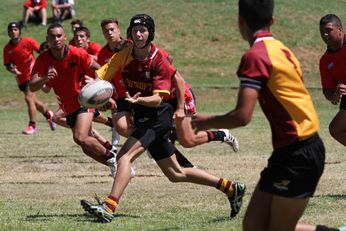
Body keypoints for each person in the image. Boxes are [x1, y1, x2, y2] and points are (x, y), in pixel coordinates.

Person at [81, 14, 246, 223]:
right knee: (176, 173)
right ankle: (231, 188)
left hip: (158, 116)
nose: (139, 34)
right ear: (130, 34)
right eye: (135, 30)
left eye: (143, 30)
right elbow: (104, 75)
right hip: (143, 114)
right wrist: (93, 88)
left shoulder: (158, 60)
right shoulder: (124, 54)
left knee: (124, 157)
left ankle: (109, 206)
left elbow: (158, 99)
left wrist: (138, 101)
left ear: (150, 33)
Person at [191, 1, 338, 230]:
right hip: (288, 151)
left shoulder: (256, 56)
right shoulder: (281, 48)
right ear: (272, 21)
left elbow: (242, 116)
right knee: (253, 225)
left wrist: (201, 123)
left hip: (300, 152)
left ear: (241, 22)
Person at [30, 23, 118, 178]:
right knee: (86, 147)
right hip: (67, 106)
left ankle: (113, 157)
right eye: (52, 36)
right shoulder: (43, 60)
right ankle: (116, 165)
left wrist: (100, 89)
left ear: (65, 37)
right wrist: (45, 78)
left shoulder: (77, 53)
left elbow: (99, 69)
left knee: (80, 137)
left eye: (59, 36)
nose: (56, 39)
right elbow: (32, 87)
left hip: (84, 101)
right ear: (47, 39)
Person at [3, 22, 55, 135]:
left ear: (19, 31)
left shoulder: (27, 41)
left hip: (32, 74)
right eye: (11, 30)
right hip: (20, 77)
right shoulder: (7, 49)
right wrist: (13, 70)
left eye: (16, 29)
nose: (13, 32)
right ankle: (48, 115)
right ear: (8, 33)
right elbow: (8, 65)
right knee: (34, 101)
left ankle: (32, 126)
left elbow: (41, 51)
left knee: (29, 98)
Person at [319, 14, 346, 147]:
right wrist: (334, 95)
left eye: (329, 30)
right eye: (322, 31)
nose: (325, 34)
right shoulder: (325, 61)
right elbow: (327, 90)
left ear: (340, 30)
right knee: (336, 130)